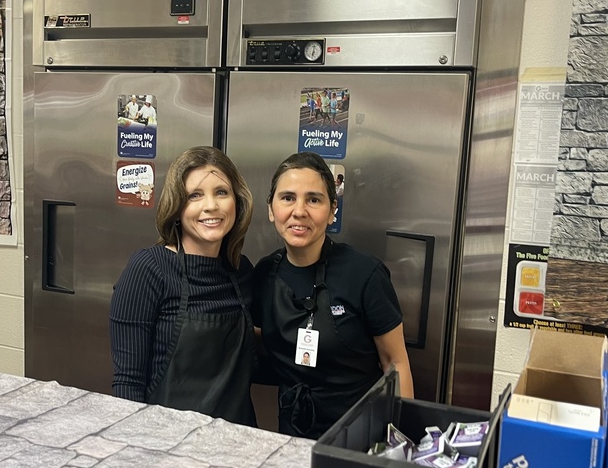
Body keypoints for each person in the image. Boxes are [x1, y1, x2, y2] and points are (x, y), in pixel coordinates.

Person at [253, 151, 413, 439]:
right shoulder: (264, 274)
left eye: (313, 199)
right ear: (271, 208)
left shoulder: (365, 274)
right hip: (290, 435)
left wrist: (396, 446)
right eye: (287, 197)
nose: (299, 211)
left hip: (359, 437)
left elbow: (395, 363)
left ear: (332, 210)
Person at [110, 146, 258, 426]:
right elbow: (127, 383)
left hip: (238, 443)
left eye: (221, 193)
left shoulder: (242, 272)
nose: (211, 206)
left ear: (237, 203)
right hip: (167, 446)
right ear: (177, 208)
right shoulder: (149, 269)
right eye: (195, 195)